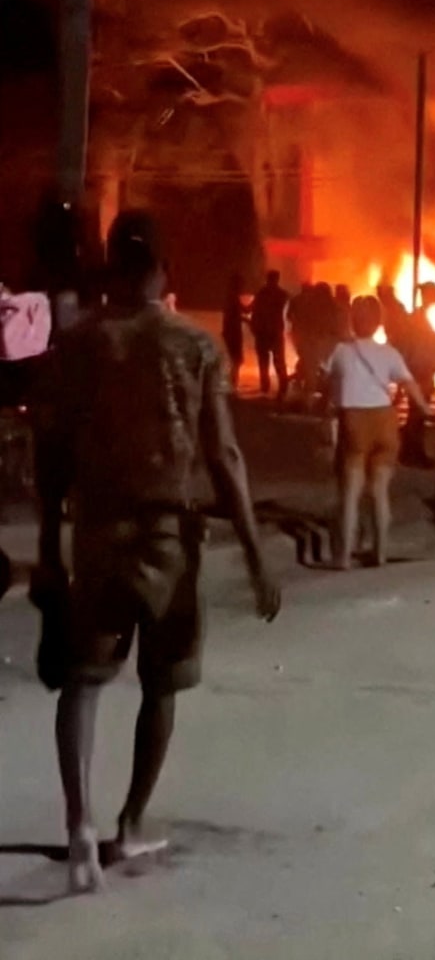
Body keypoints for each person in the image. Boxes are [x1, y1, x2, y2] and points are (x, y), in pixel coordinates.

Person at [30, 210, 280, 895]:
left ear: (112, 265)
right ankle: (131, 822)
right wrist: (255, 552)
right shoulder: (195, 346)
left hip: (98, 534)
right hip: (170, 537)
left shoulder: (79, 343)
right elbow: (224, 455)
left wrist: (50, 545)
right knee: (161, 683)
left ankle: (80, 828)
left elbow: (51, 455)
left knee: (84, 680)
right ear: (165, 269)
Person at [323, 295, 430, 569]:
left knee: (351, 493)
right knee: (379, 492)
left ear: (352, 321)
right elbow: (410, 384)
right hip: (385, 422)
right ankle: (380, 553)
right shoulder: (389, 353)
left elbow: (327, 383)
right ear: (378, 322)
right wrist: (425, 409)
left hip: (354, 421)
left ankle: (343, 557)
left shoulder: (341, 352)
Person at [402, 282, 435, 464]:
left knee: (417, 413)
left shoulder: (420, 317)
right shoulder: (418, 318)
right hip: (421, 370)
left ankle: (411, 451)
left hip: (421, 369)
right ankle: (412, 452)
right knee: (418, 413)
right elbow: (421, 345)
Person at [250, 270, 289, 399]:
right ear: (277, 279)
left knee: (263, 361)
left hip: (263, 332)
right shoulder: (282, 294)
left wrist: (253, 326)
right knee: (279, 360)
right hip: (275, 332)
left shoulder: (261, 293)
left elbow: (253, 310)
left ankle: (265, 387)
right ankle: (283, 387)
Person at [222, 272, 247, 391]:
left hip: (229, 332)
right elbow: (242, 312)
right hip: (233, 333)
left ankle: (231, 384)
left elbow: (238, 314)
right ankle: (232, 384)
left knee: (233, 359)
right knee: (236, 359)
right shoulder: (233, 298)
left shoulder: (230, 297)